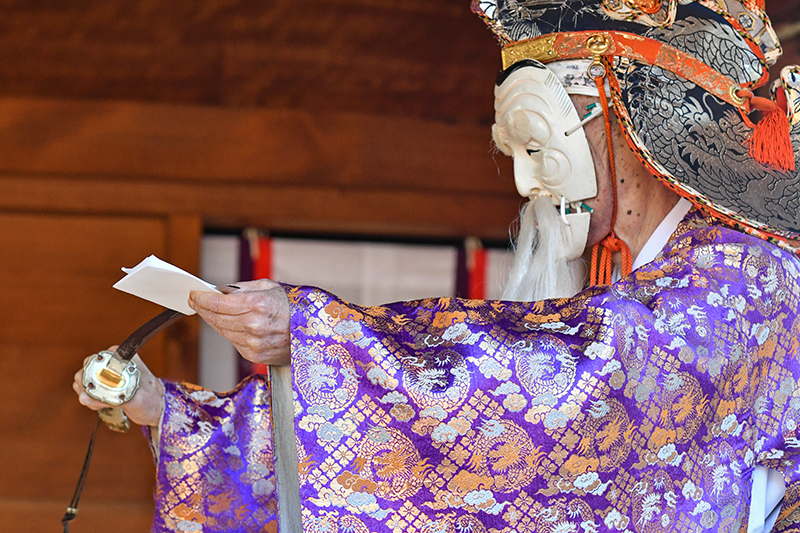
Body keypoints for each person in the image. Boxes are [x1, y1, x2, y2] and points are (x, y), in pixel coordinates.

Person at [74, 0, 800, 531]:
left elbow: (563, 391)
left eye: (536, 140)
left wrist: (313, 333)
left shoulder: (743, 274)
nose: (524, 183)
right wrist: (164, 411)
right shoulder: (657, 277)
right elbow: (440, 444)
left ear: (621, 116)